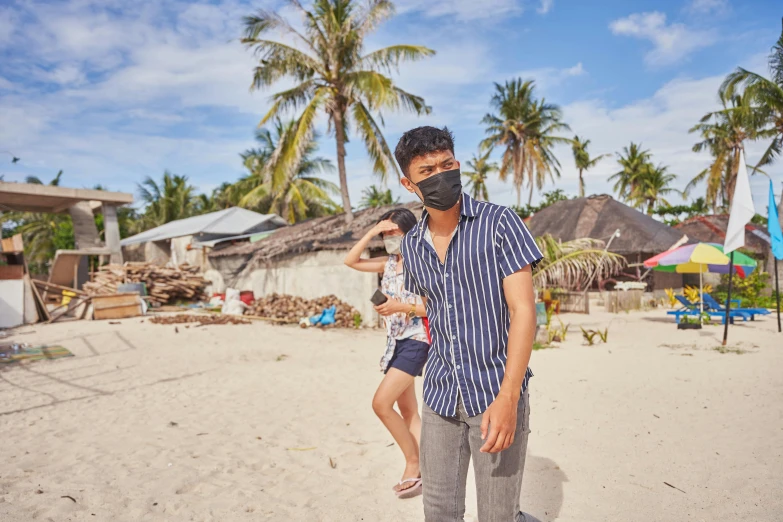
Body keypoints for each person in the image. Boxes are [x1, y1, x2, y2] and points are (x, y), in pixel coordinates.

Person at [394, 126, 544, 522]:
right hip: (440, 395)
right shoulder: (411, 245)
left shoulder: (499, 223)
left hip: (495, 392)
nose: (441, 175)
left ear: (458, 165)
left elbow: (524, 310)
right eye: (427, 171)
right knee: (439, 511)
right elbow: (436, 305)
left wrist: (510, 396)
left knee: (497, 515)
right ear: (409, 184)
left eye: (448, 165)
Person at [343, 208, 429, 499]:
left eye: (396, 231)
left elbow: (438, 307)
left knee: (381, 404)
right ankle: (428, 471)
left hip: (418, 339)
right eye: (387, 233)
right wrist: (370, 232)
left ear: (410, 232)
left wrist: (399, 307)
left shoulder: (425, 264)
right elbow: (350, 260)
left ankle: (413, 463)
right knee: (408, 412)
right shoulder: (389, 264)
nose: (391, 237)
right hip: (395, 342)